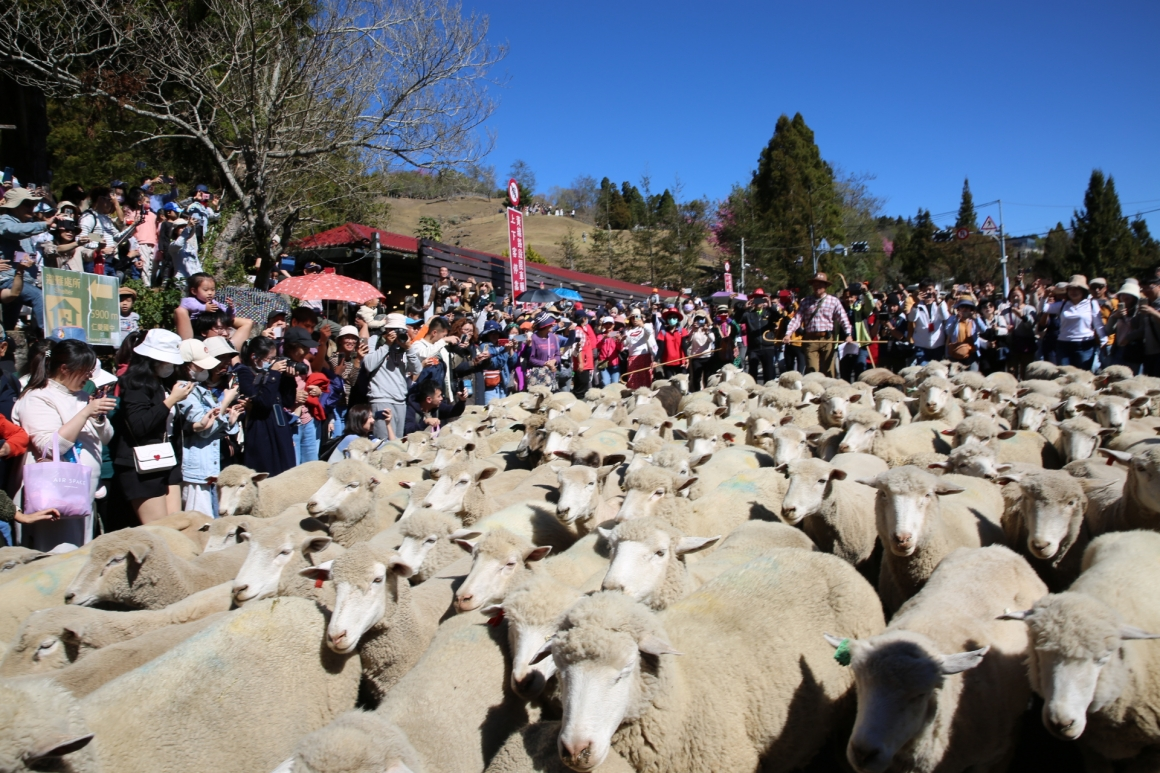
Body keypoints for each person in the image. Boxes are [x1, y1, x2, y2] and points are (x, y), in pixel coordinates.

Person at [11, 339, 114, 549]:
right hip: (52, 497)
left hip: (80, 497)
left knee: (79, 558)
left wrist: (98, 417)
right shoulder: (37, 397)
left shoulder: (83, 397)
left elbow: (106, 438)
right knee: (56, 558)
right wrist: (85, 413)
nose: (89, 377)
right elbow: (49, 447)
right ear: (64, 369)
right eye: (85, 371)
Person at [112, 329, 191, 522]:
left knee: (176, 526)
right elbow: (139, 425)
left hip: (167, 460)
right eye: (166, 361)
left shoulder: (164, 383)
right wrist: (171, 400)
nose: (170, 366)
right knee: (158, 530)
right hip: (143, 465)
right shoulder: (135, 385)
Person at [174, 338, 241, 515]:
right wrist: (225, 402)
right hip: (198, 468)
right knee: (199, 521)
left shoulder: (202, 388)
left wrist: (230, 421)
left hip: (213, 463)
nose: (224, 363)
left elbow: (220, 428)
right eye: (200, 366)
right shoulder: (184, 390)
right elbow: (204, 430)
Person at [237, 336, 297, 476]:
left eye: (275, 358)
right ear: (254, 357)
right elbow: (263, 402)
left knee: (286, 474)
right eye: (270, 359)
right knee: (265, 474)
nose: (273, 362)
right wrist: (273, 374)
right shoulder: (244, 372)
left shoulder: (271, 374)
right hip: (261, 431)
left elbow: (288, 401)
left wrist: (289, 379)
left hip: (280, 429)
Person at [0, 186, 50, 333]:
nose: (32, 207)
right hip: (8, 279)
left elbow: (25, 252)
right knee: (38, 297)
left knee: (8, 327)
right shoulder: (4, 221)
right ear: (15, 206)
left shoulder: (23, 224)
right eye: (27, 203)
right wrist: (45, 224)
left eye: (33, 204)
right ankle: (48, 337)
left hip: (21, 279)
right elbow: (12, 230)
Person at [783, 272, 853, 376]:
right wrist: (788, 334)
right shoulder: (806, 301)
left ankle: (829, 386)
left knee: (829, 371)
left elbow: (843, 319)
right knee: (812, 370)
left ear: (825, 286)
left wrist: (848, 334)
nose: (817, 287)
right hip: (810, 339)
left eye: (820, 284)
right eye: (815, 284)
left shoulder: (834, 301)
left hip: (827, 339)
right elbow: (797, 319)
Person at [360, 313, 412, 440]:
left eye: (401, 330)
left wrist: (409, 349)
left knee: (397, 442)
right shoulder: (375, 340)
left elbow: (416, 369)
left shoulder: (403, 343)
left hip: (400, 399)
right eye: (394, 329)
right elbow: (369, 365)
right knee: (383, 442)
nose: (397, 333)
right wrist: (387, 345)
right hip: (381, 398)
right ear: (387, 329)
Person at [1045, 275, 1105, 371]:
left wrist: (1103, 341)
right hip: (1063, 345)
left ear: (1083, 290)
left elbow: (1098, 325)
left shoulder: (1091, 304)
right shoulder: (1063, 304)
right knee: (1064, 374)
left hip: (1085, 345)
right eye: (1071, 289)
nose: (1073, 292)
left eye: (1077, 289)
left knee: (1082, 375)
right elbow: (1044, 308)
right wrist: (1045, 296)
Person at [908, 277, 949, 364]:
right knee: (923, 368)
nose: (927, 292)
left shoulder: (940, 304)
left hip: (938, 345)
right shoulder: (917, 305)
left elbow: (945, 317)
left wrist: (938, 301)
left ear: (934, 290)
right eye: (924, 290)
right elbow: (911, 318)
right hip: (921, 345)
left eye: (930, 289)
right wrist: (916, 303)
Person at [476, 320, 518, 405]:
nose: (494, 335)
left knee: (503, 410)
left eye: (496, 333)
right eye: (491, 333)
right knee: (491, 409)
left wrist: (511, 349)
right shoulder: (484, 346)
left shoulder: (502, 345)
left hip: (503, 384)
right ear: (486, 334)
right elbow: (495, 363)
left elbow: (512, 362)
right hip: (491, 386)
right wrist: (505, 351)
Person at [999, 286, 1037, 378]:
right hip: (1011, 345)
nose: (1015, 298)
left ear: (1023, 296)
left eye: (1018, 295)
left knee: (1027, 372)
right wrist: (1006, 328)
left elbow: (1031, 324)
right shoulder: (1005, 312)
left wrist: (1022, 316)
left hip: (1027, 345)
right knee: (1011, 372)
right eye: (1013, 296)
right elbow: (1000, 325)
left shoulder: (1030, 309)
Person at [1107, 280, 1145, 372]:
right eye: (1123, 294)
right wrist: (1114, 317)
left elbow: (1141, 330)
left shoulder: (1140, 312)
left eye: (1128, 295)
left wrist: (1128, 337)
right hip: (1118, 349)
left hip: (1133, 351)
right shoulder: (1117, 311)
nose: (1125, 297)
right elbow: (1108, 331)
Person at [523, 312, 561, 391]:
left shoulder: (552, 337)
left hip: (551, 376)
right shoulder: (534, 338)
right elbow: (531, 359)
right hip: (538, 378)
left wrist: (554, 361)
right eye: (550, 324)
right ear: (545, 326)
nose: (553, 325)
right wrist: (545, 364)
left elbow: (558, 355)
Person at [945, 297, 984, 371]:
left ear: (971, 309)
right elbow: (948, 332)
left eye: (967, 307)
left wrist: (976, 319)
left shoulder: (974, 319)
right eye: (962, 307)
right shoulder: (952, 319)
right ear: (958, 309)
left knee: (972, 376)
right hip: (955, 355)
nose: (965, 309)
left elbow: (983, 330)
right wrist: (956, 320)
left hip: (971, 355)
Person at [623, 309, 657, 390]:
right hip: (632, 356)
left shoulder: (646, 326)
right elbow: (626, 343)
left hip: (644, 356)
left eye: (637, 317)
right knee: (633, 380)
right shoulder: (628, 330)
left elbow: (650, 332)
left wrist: (642, 325)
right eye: (632, 318)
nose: (635, 319)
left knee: (645, 379)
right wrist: (621, 339)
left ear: (641, 318)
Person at [684, 312, 717, 391]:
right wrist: (693, 329)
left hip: (707, 357)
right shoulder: (692, 330)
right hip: (696, 358)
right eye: (697, 319)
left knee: (707, 377)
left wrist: (707, 332)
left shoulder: (709, 329)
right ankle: (697, 392)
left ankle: (707, 392)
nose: (698, 321)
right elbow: (688, 340)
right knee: (696, 378)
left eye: (701, 319)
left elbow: (712, 340)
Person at [655, 307, 689, 378]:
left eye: (674, 317)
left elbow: (684, 345)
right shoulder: (663, 332)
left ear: (677, 319)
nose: (672, 319)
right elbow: (661, 348)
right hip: (667, 362)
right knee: (669, 382)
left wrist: (686, 358)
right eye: (670, 318)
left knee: (682, 381)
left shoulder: (682, 331)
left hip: (680, 361)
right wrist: (655, 360)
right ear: (667, 320)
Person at [1138, 275, 1160, 377]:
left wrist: (1153, 312)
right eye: (1143, 288)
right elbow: (1142, 328)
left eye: (1149, 287)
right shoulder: (1147, 303)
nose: (1145, 291)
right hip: (1149, 353)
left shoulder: (1152, 307)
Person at [594, 316, 623, 386]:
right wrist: (604, 338)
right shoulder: (600, 336)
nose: (608, 325)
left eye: (610, 324)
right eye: (606, 324)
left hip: (614, 362)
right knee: (605, 382)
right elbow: (597, 346)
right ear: (603, 325)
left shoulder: (616, 334)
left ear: (613, 325)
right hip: (603, 362)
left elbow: (620, 348)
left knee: (615, 383)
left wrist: (620, 341)